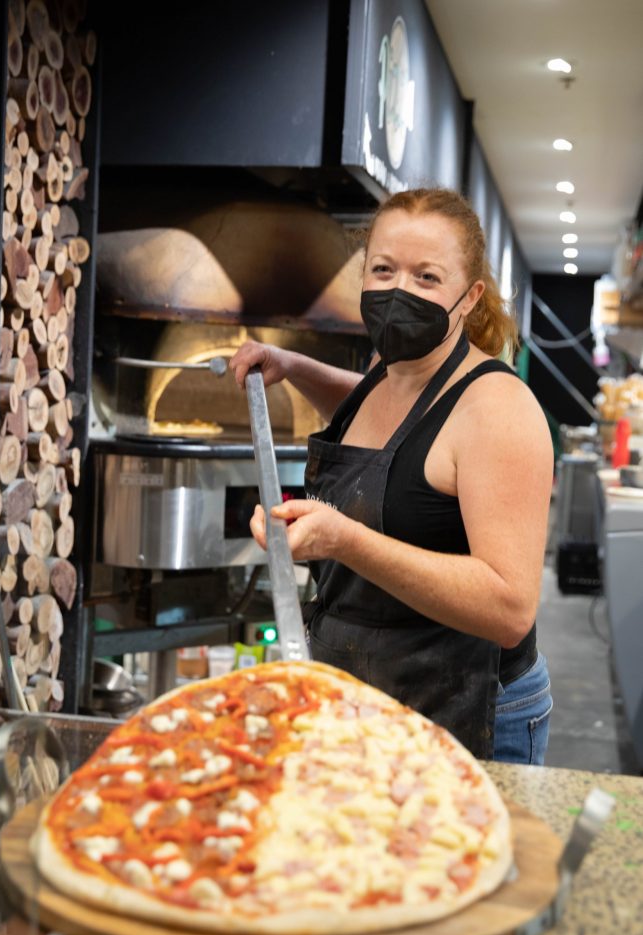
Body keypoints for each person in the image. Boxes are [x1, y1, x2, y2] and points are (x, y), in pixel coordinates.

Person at [230, 187, 554, 763]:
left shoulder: (499, 409)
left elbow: (509, 610)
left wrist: (343, 539)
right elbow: (390, 426)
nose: (399, 290)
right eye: (383, 269)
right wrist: (295, 366)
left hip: (467, 704)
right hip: (367, 689)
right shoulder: (392, 368)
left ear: (470, 294)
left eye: (427, 277)